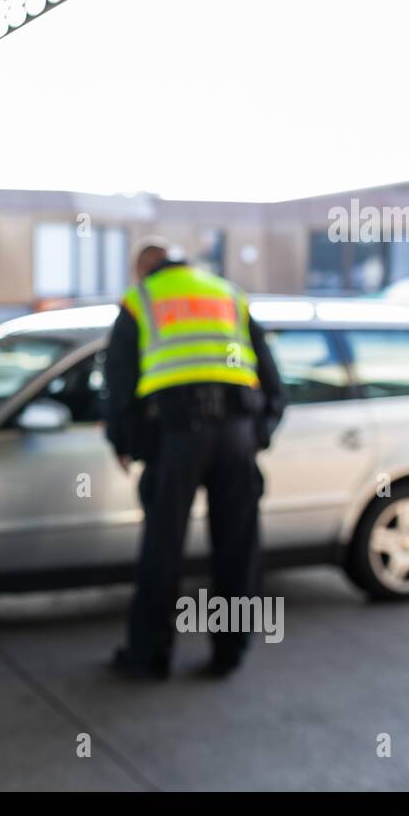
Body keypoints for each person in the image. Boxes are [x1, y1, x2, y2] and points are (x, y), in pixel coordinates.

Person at [103, 239, 285, 679]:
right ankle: (230, 653)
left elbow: (119, 382)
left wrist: (125, 441)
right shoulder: (226, 293)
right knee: (238, 548)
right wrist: (261, 431)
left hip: (178, 436)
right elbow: (271, 374)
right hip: (237, 433)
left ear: (144, 268)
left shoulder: (140, 300)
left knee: (162, 549)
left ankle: (150, 657)